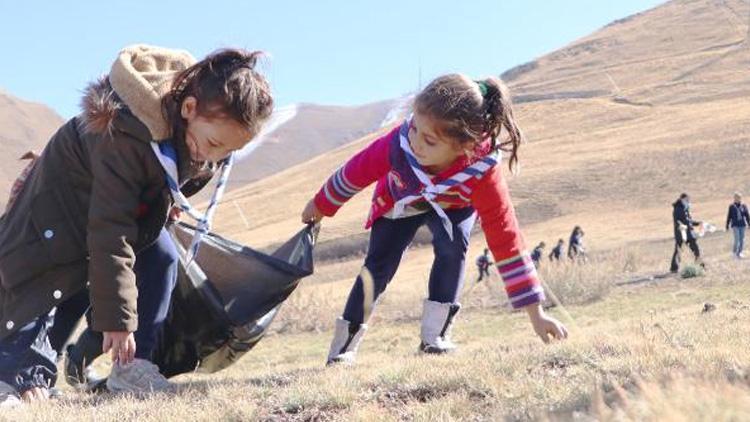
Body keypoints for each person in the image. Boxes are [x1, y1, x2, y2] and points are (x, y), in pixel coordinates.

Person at [0, 44, 273, 405]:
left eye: (226, 153)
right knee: (47, 297)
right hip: (53, 225)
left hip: (104, 225)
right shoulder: (124, 135)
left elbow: (149, 194)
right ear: (188, 109)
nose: (212, 158)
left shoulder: (187, 137)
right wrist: (116, 320)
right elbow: (111, 232)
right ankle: (15, 376)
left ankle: (133, 367)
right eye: (213, 144)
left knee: (162, 258)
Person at [301, 74, 567, 365]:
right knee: (377, 265)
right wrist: (320, 205)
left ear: (464, 145)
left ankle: (435, 338)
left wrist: (536, 314)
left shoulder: (482, 171)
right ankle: (343, 349)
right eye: (414, 126)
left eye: (428, 139)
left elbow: (506, 237)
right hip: (401, 201)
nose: (414, 141)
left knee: (453, 249)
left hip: (455, 206)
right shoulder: (398, 144)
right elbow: (354, 172)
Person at [670, 193, 704, 273]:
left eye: (688, 200)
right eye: (686, 200)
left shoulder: (686, 209)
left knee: (695, 248)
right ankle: (674, 268)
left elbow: (689, 221)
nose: (688, 201)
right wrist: (682, 226)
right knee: (678, 251)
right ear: (682, 199)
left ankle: (700, 264)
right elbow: (678, 221)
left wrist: (698, 223)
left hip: (689, 233)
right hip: (681, 234)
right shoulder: (678, 209)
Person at [725, 192, 750, 259]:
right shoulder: (732, 206)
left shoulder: (744, 206)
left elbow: (747, 215)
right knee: (737, 239)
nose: (738, 199)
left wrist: (749, 224)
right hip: (735, 225)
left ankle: (739, 252)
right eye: (736, 197)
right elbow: (729, 216)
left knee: (742, 239)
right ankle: (734, 253)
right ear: (734, 198)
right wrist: (727, 225)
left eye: (739, 197)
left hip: (742, 225)